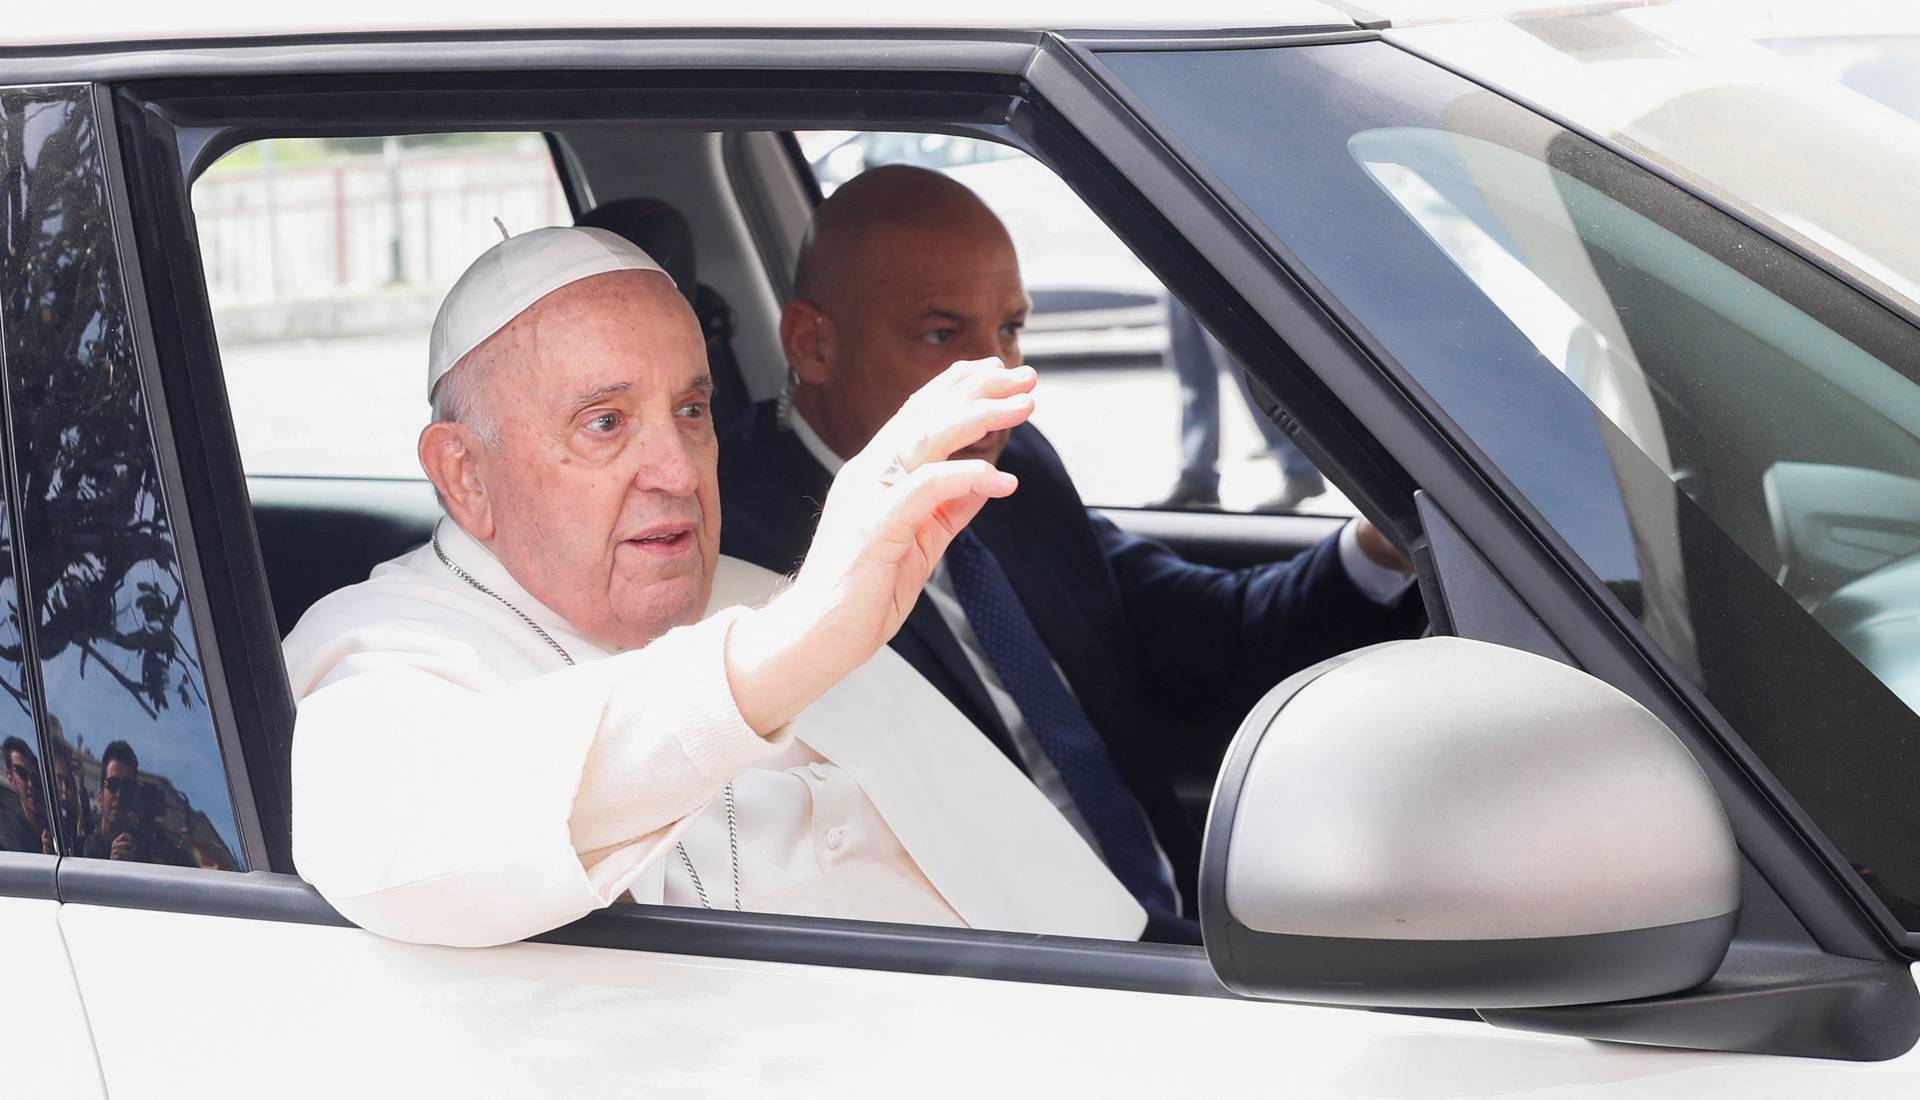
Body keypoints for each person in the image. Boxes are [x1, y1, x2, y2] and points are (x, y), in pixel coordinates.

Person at [285, 226, 1144, 949]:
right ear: (465, 475)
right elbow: (399, 838)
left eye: (691, 411)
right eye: (605, 423)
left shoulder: (760, 590)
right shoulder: (382, 644)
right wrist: (783, 651)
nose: (675, 469)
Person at [719, 166, 1423, 927]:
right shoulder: (743, 553)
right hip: (1027, 970)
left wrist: (1377, 549)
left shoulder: (1011, 467)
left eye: (1012, 330)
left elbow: (1192, 628)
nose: (1000, 382)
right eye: (940, 334)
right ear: (813, 346)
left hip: (1180, 908)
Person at [1156, 295, 1325, 511]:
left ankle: (1300, 468)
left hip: (1210, 265)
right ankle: (1197, 477)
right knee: (1191, 368)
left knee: (1245, 369)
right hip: (1174, 264)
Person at [1, 734, 48, 853]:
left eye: (35, 776)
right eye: (22, 773)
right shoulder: (7, 836)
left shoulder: (58, 826)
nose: (31, 784)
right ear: (11, 778)